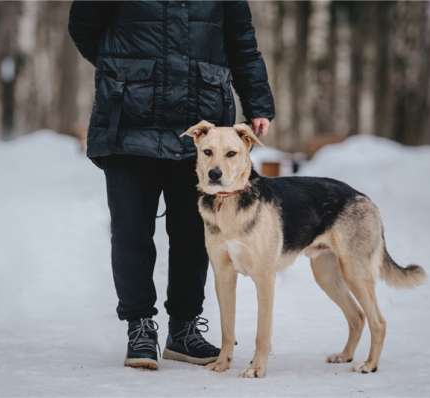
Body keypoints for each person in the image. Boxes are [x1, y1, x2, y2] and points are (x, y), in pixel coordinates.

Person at [68, 1, 275, 370]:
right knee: (131, 232)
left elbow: (241, 42)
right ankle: (140, 327)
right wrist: (122, 69)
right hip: (128, 122)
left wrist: (258, 103)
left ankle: (183, 329)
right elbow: (84, 27)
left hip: (200, 129)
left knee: (194, 235)